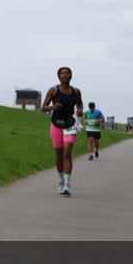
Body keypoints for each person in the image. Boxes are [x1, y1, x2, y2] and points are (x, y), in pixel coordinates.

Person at [42, 67, 83, 196]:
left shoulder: (76, 91)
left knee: (67, 153)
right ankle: (61, 180)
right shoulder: (53, 90)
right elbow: (43, 107)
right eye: (62, 73)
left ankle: (67, 184)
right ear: (59, 76)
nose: (65, 75)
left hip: (70, 124)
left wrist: (80, 110)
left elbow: (80, 104)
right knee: (59, 155)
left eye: (67, 73)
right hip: (56, 124)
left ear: (71, 76)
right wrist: (53, 107)